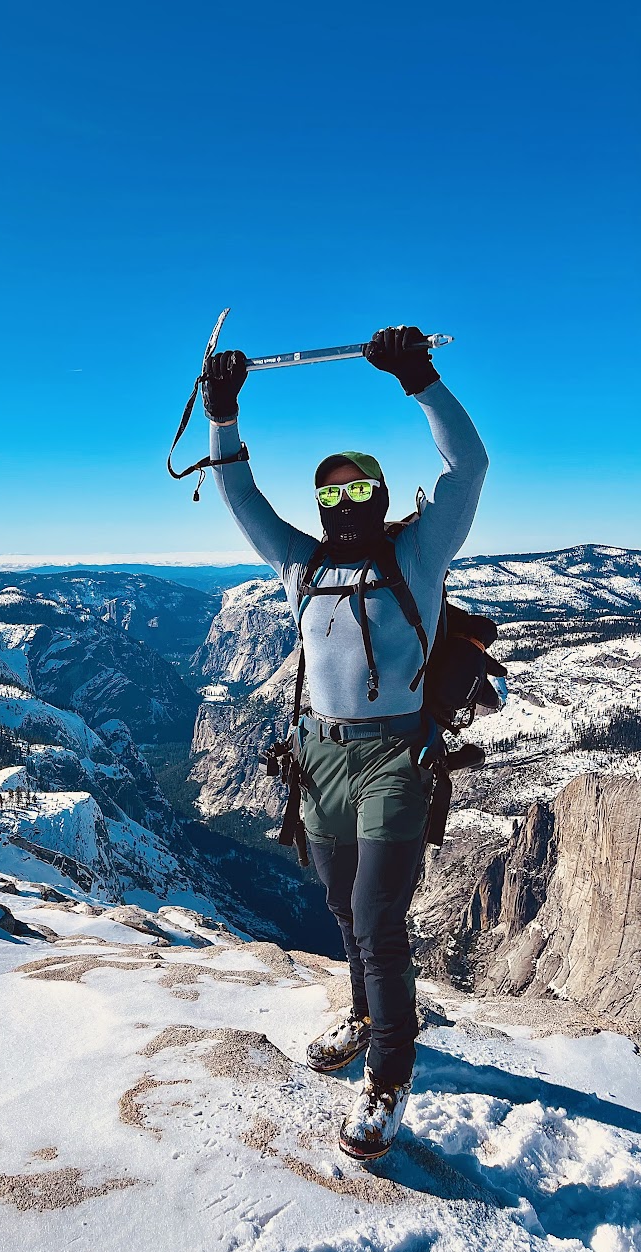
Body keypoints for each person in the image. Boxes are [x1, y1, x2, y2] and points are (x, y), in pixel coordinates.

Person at [202, 325, 488, 1160]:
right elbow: (241, 499)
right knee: (338, 906)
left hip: (394, 756)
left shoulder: (418, 552)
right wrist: (224, 416)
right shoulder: (302, 565)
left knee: (376, 917)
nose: (340, 502)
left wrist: (420, 380)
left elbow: (466, 469)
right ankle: (365, 1013)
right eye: (328, 492)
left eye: (355, 487)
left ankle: (390, 1074)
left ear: (378, 492)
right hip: (316, 757)